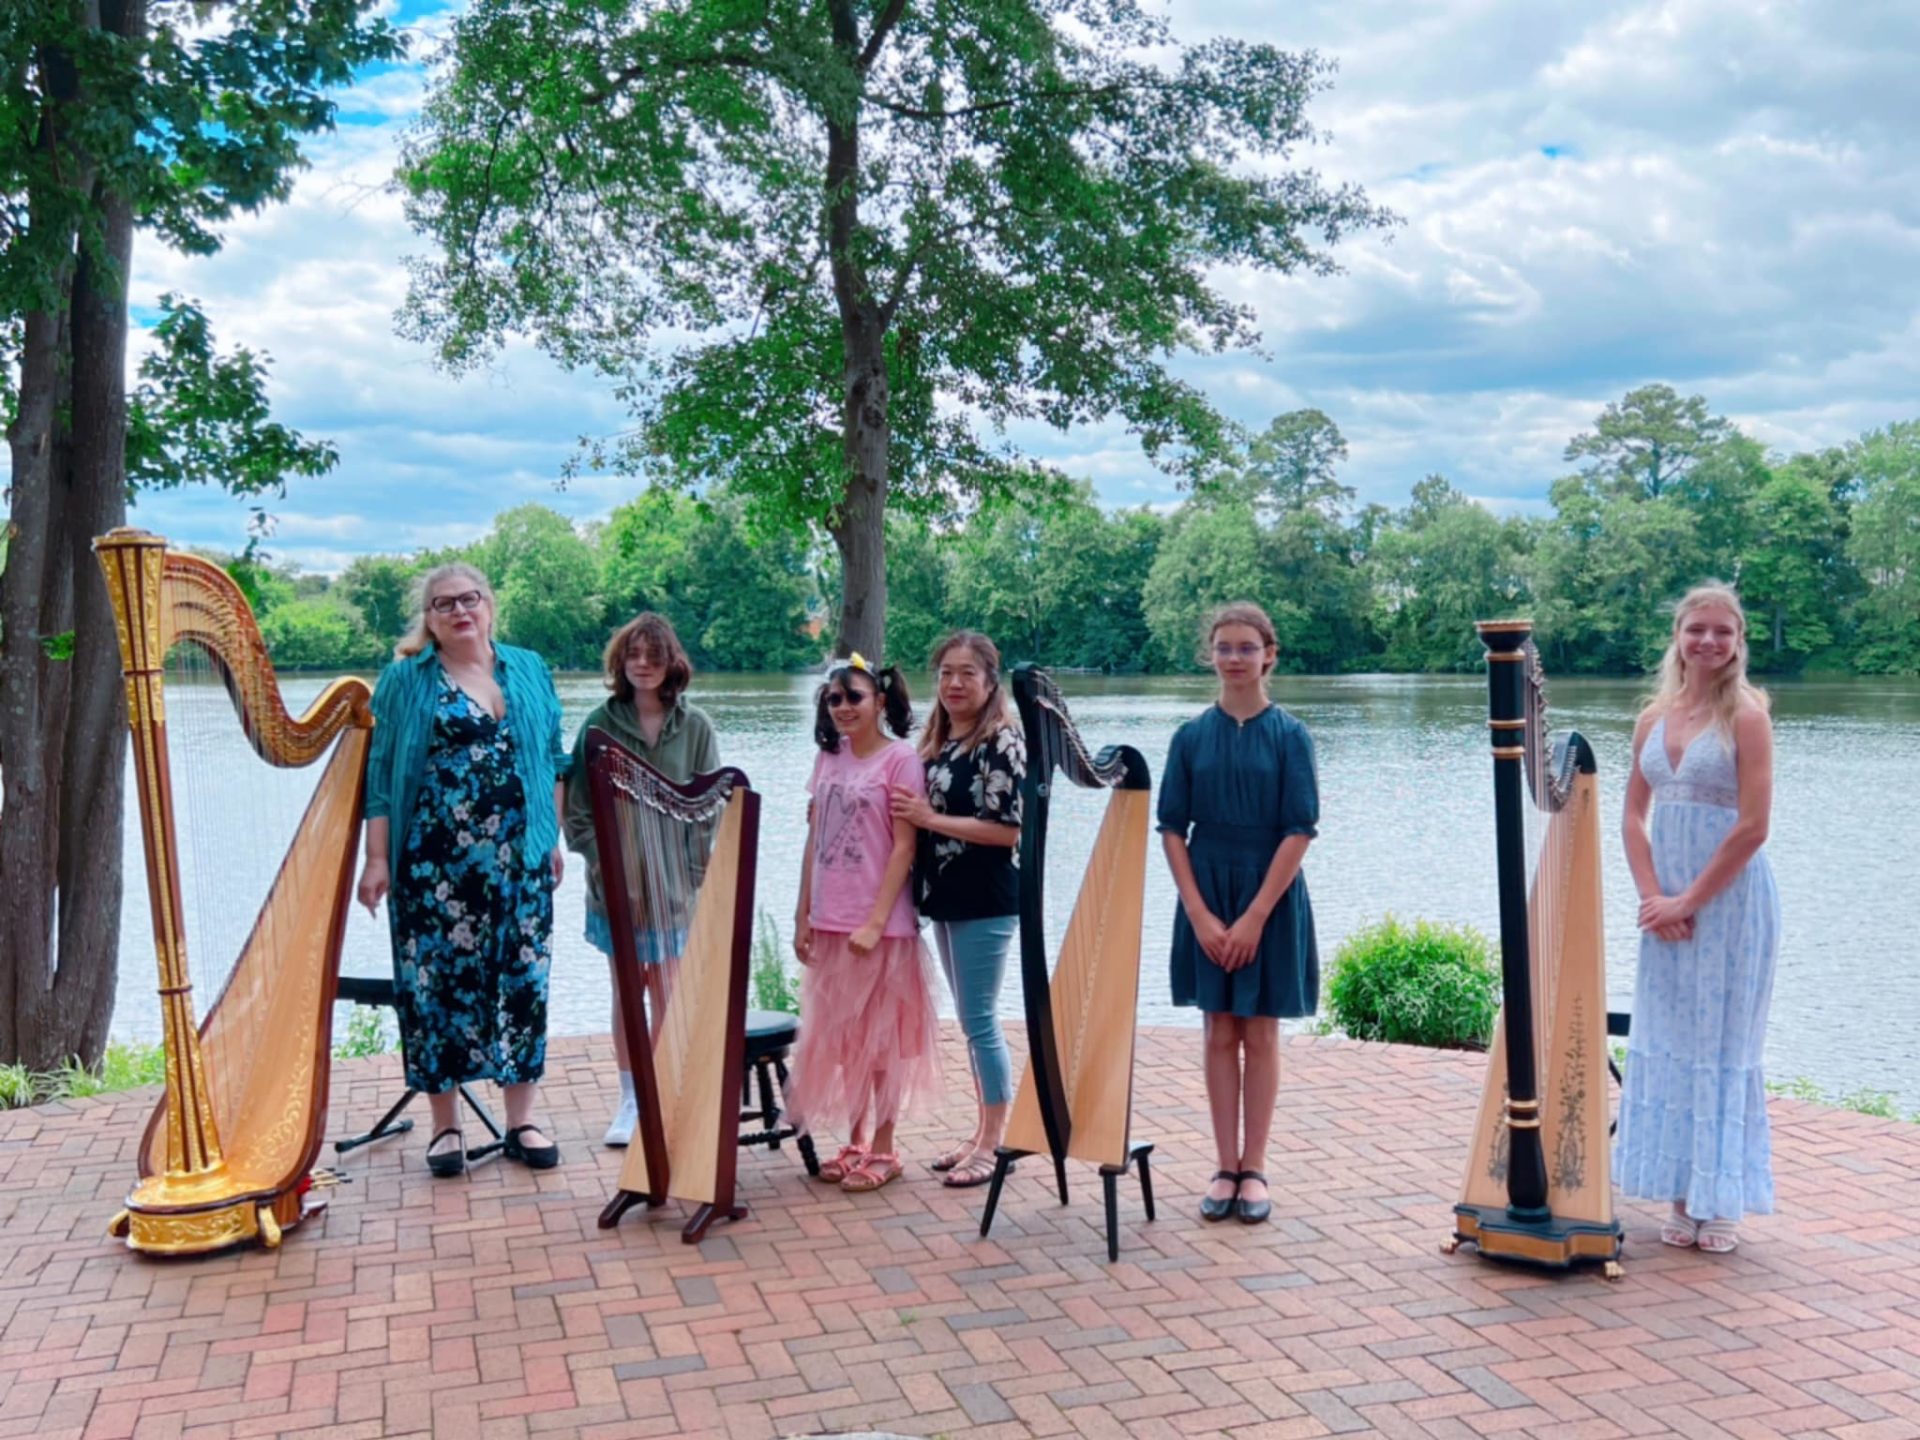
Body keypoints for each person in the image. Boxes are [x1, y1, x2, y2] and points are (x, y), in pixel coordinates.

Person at [355, 563, 569, 1176]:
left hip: (521, 861)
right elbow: (380, 777)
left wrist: (548, 834)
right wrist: (375, 859)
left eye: (468, 598)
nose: (458, 611)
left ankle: (520, 1121)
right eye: (443, 604)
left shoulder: (528, 666)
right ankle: (445, 1128)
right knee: (436, 991)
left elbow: (553, 759)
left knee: (524, 985)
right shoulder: (405, 680)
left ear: (489, 604)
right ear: (429, 619)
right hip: (433, 869)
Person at [1615, 582, 1780, 1254]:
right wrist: (1656, 896)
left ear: (1739, 642)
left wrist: (1690, 899)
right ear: (1678, 636)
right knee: (1673, 1041)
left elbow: (1753, 827)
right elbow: (1631, 814)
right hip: (1667, 909)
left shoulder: (1746, 717)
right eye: (1696, 630)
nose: (1708, 641)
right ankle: (1680, 1196)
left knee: (1721, 1045)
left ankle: (1720, 1202)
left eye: (1723, 631)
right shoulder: (1653, 717)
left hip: (1731, 903)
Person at [1158, 602, 1319, 1225]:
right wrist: (1199, 914)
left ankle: (1255, 1167)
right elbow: (1172, 828)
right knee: (1219, 1031)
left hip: (1269, 898)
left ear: (1268, 655)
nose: (1234, 658)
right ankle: (1223, 1165)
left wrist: (1253, 917)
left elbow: (1299, 830)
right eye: (1224, 647)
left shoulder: (1291, 736)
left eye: (1246, 647)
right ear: (1212, 654)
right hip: (1206, 892)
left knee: (1261, 1032)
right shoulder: (1190, 736)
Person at [787, 654, 943, 1193]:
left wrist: (876, 922)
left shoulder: (901, 760)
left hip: (879, 925)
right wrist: (802, 912)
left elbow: (904, 846)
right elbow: (814, 838)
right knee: (843, 1039)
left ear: (879, 700)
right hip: (830, 920)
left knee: (882, 1043)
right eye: (834, 699)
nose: (843, 708)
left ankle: (884, 1145)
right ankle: (851, 1141)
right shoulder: (828, 758)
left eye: (854, 696)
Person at [562, 613, 719, 1147]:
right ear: (620, 662)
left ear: (671, 662)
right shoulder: (599, 725)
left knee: (669, 992)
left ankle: (665, 1093)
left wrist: (694, 872)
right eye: (634, 655)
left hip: (676, 890)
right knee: (628, 991)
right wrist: (599, 860)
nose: (643, 665)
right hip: (617, 890)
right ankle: (631, 1100)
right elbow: (577, 808)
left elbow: (709, 806)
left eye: (654, 656)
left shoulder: (694, 726)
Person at [891, 632, 1024, 1189]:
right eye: (946, 672)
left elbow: (1007, 830)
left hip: (985, 897)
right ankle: (980, 1133)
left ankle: (996, 1143)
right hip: (945, 897)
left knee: (979, 1022)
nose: (954, 683)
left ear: (991, 681)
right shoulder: (940, 740)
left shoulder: (1003, 741)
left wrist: (929, 820)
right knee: (972, 1024)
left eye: (967, 673)